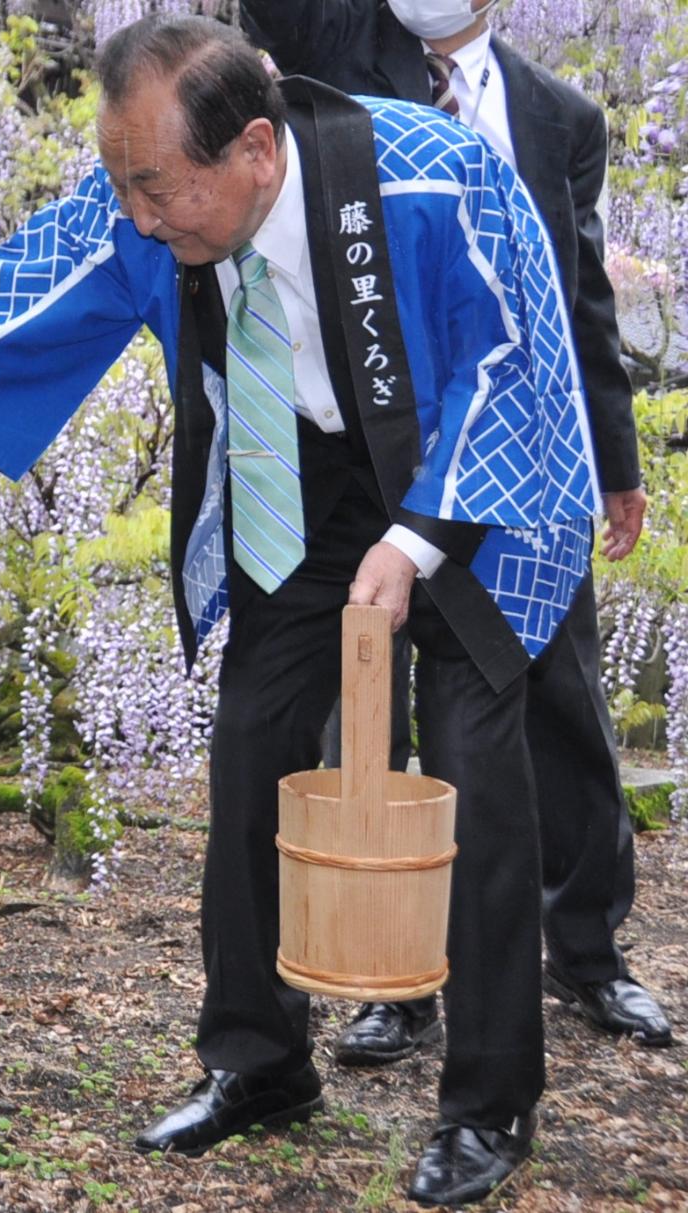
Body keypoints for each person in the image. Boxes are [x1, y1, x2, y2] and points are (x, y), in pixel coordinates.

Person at [0, 15, 601, 1207]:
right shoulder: (144, 202)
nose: (139, 217)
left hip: (477, 482)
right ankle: (258, 1062)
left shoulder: (436, 175)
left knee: (472, 771)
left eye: (157, 188)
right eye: (123, 185)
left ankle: (488, 1104)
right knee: (252, 745)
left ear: (255, 150)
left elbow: (517, 358)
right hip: (310, 480)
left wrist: (418, 537)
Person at [241, 0, 672, 1068]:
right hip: (379, 464)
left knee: (560, 697)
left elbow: (577, 299)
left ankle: (584, 945)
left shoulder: (559, 114)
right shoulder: (339, 62)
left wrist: (611, 463)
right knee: (371, 708)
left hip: (524, 454)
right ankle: (400, 976)